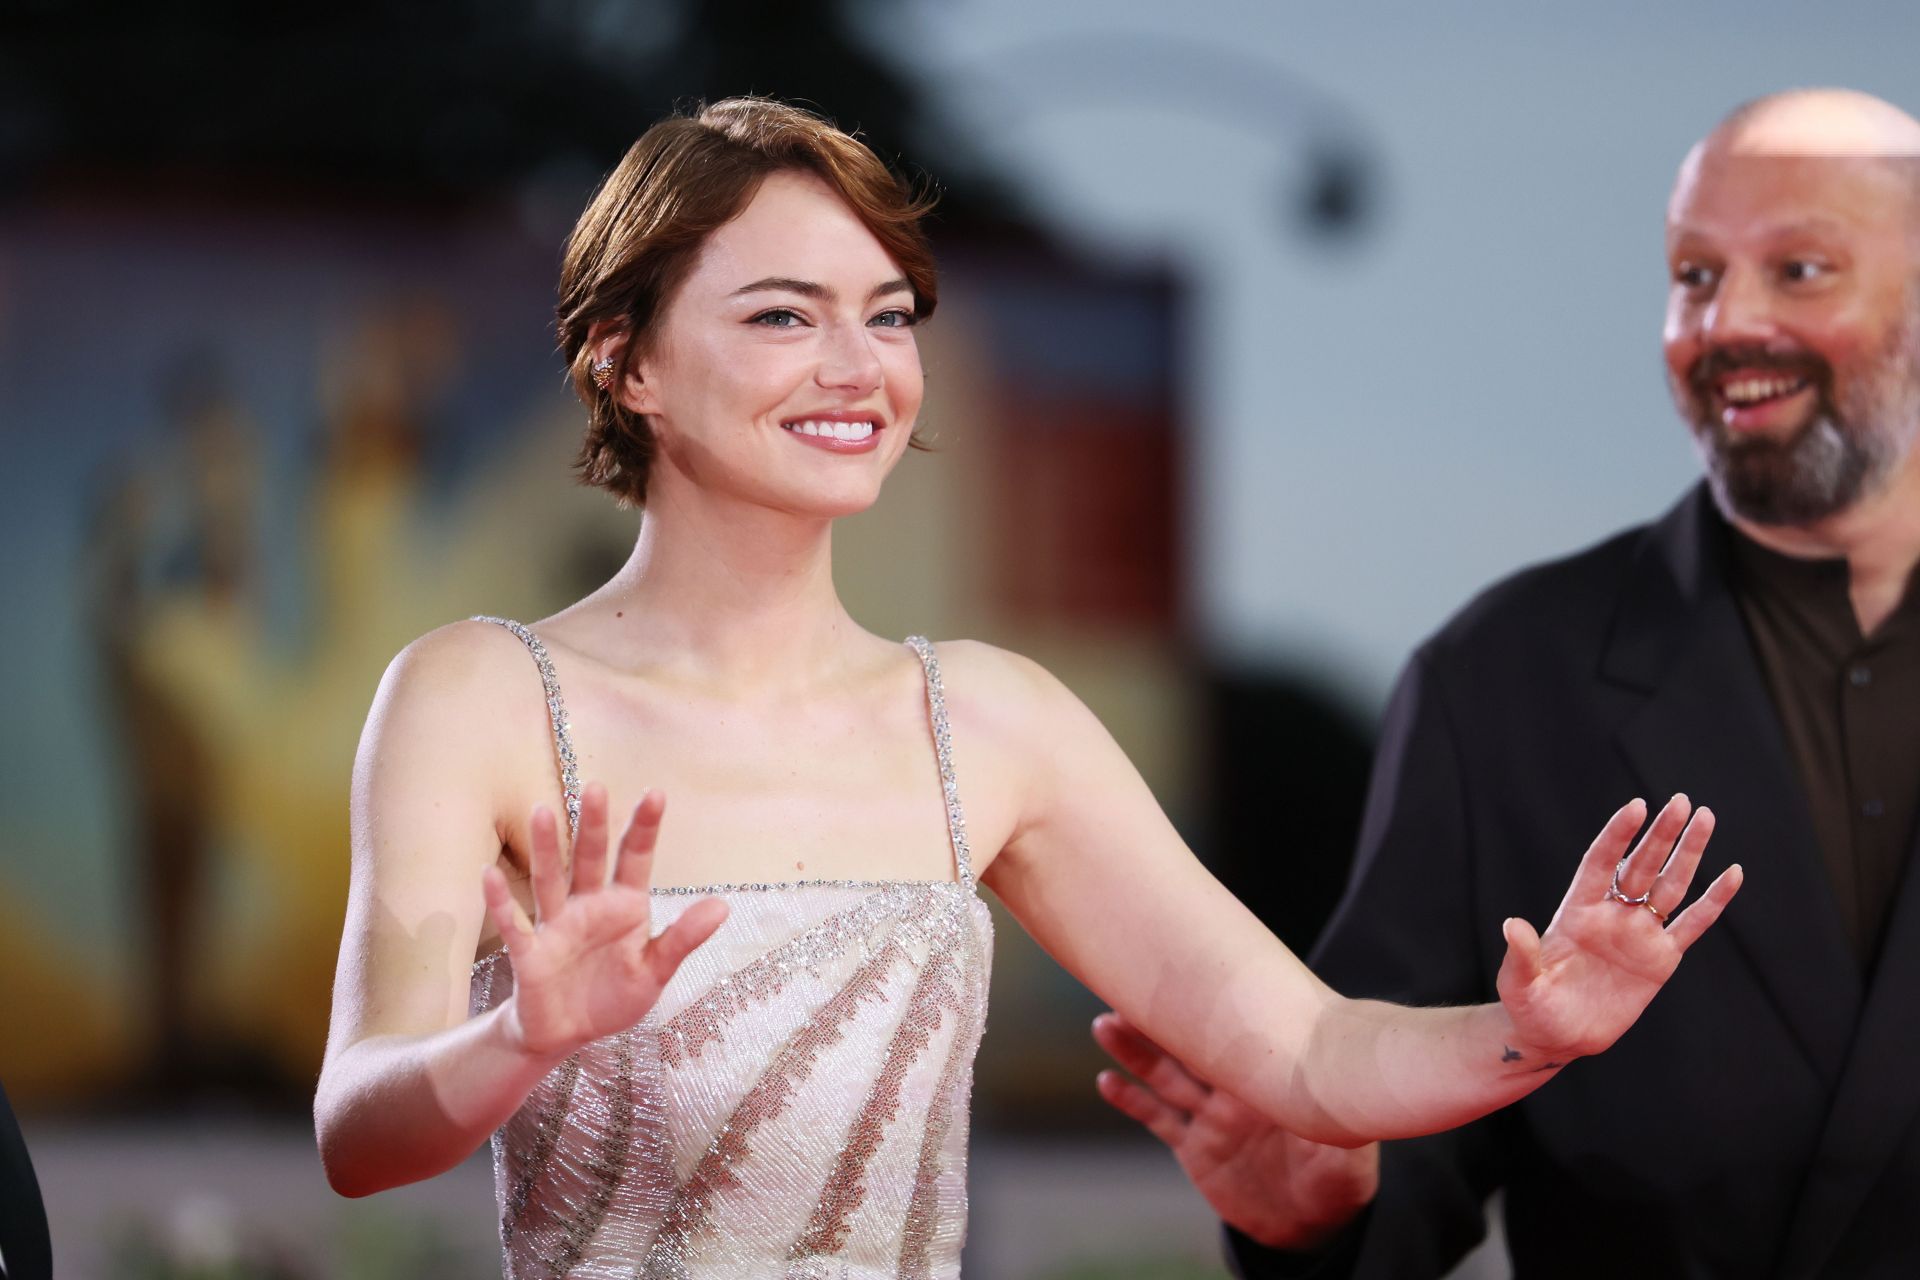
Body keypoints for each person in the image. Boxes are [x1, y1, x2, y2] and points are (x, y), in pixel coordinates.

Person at [311, 98, 1741, 1277]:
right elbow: (358, 1134)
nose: (859, 366)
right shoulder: (478, 695)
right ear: (625, 361)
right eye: (782, 317)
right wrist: (521, 1034)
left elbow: (1305, 1050)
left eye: (887, 313)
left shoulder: (991, 721)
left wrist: (1527, 1037)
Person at [1096, 88, 1920, 1280]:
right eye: (1693, 276)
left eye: (1799, 268)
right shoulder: (1503, 677)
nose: (1727, 321)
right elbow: (1391, 1136)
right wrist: (1328, 1202)